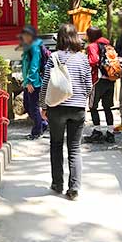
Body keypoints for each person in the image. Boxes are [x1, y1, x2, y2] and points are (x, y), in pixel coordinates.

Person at [39, 23, 92, 200]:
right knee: (75, 148)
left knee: (56, 144)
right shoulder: (82, 59)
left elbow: (46, 83)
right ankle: (74, 188)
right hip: (77, 108)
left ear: (60, 38)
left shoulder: (54, 57)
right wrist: (81, 100)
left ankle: (57, 183)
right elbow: (89, 85)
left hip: (56, 108)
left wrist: (43, 106)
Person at [85, 26, 115, 144]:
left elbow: (93, 61)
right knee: (107, 107)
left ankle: (97, 131)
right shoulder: (108, 44)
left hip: (98, 80)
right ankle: (110, 133)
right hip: (110, 79)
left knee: (93, 106)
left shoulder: (92, 46)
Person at [19, 25, 48, 139]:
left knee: (33, 106)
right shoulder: (30, 46)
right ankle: (42, 124)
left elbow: (34, 65)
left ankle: (36, 131)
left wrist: (30, 81)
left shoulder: (34, 47)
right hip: (29, 82)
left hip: (34, 82)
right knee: (27, 105)